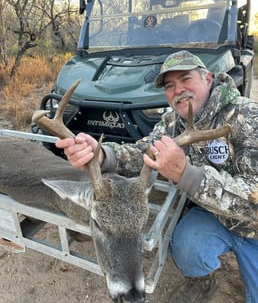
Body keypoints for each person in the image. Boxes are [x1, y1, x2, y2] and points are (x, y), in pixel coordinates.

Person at [56, 50, 258, 303]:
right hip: (213, 217)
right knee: (185, 243)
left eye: (186, 79)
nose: (178, 90)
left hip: (254, 231)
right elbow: (143, 151)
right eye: (170, 86)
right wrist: (103, 156)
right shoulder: (174, 122)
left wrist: (187, 175)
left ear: (207, 78)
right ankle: (202, 282)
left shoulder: (248, 116)